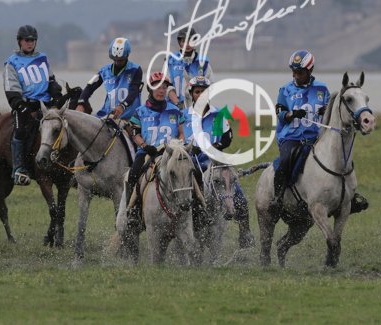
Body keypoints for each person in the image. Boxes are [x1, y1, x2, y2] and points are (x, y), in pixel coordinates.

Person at [183, 75, 255, 248]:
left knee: (238, 195)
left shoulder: (219, 114)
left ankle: (245, 234)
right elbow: (177, 139)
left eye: (204, 92)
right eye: (197, 92)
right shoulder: (183, 116)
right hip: (192, 164)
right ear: (191, 94)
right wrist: (189, 148)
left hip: (214, 162)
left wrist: (215, 146)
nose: (201, 95)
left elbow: (227, 137)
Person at [270, 49, 329, 212]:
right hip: (292, 137)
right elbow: (280, 113)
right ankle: (277, 198)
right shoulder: (285, 90)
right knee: (284, 161)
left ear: (310, 70)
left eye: (300, 72)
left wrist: (326, 110)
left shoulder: (322, 89)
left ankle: (346, 196)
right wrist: (291, 114)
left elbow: (330, 111)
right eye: (293, 71)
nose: (295, 75)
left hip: (317, 138)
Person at [3, 24, 62, 186]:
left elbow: (51, 81)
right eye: (26, 40)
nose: (30, 43)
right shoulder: (11, 62)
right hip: (24, 106)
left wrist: (56, 93)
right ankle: (19, 169)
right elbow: (11, 88)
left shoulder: (43, 58)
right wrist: (19, 104)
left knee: (62, 126)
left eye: (32, 40)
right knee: (20, 131)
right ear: (19, 41)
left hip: (45, 105)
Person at [124, 71, 185, 225]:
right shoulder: (140, 112)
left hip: (171, 153)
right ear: (150, 89)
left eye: (164, 87)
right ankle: (132, 210)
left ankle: (199, 206)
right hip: (147, 153)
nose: (161, 91)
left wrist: (180, 146)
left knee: (193, 171)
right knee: (133, 174)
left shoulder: (175, 110)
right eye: (157, 87)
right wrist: (145, 146)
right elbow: (135, 134)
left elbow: (182, 133)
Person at [76, 37, 143, 122]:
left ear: (127, 56)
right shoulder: (104, 71)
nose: (117, 62)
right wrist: (81, 103)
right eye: (115, 59)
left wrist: (122, 106)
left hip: (129, 117)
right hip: (107, 115)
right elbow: (90, 87)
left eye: (120, 60)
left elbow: (134, 91)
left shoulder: (135, 70)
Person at [167, 27, 213, 108]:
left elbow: (210, 86)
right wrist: (178, 104)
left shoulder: (203, 63)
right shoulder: (171, 62)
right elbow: (166, 86)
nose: (187, 44)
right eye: (184, 41)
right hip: (176, 108)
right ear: (180, 43)